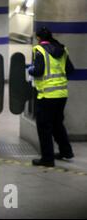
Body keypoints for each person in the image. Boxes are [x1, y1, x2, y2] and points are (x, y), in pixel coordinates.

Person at [27, 26, 75, 167]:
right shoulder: (62, 49)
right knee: (57, 124)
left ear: (39, 38)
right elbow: (70, 69)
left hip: (47, 95)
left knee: (44, 127)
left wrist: (30, 70)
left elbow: (38, 71)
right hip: (61, 94)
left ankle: (47, 159)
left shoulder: (40, 50)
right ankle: (66, 152)